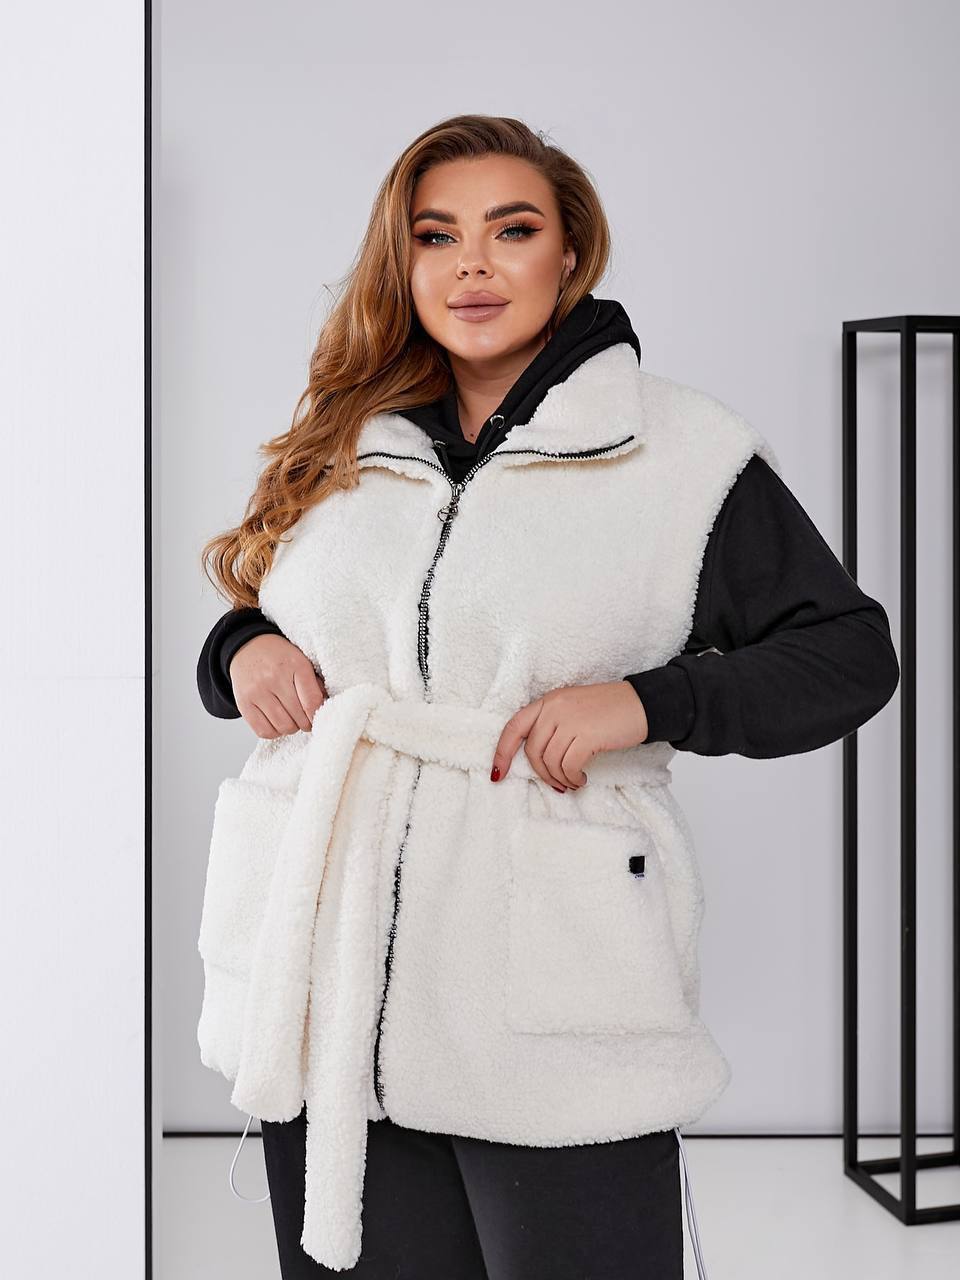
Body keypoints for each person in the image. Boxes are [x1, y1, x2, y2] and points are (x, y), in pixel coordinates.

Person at [194, 113, 900, 1279]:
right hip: (324, 972)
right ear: (402, 261)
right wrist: (239, 647)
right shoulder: (346, 430)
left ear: (570, 251)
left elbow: (849, 654)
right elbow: (271, 595)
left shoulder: (682, 451)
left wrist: (651, 699)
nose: (472, 265)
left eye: (510, 230)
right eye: (436, 235)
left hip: (544, 987)